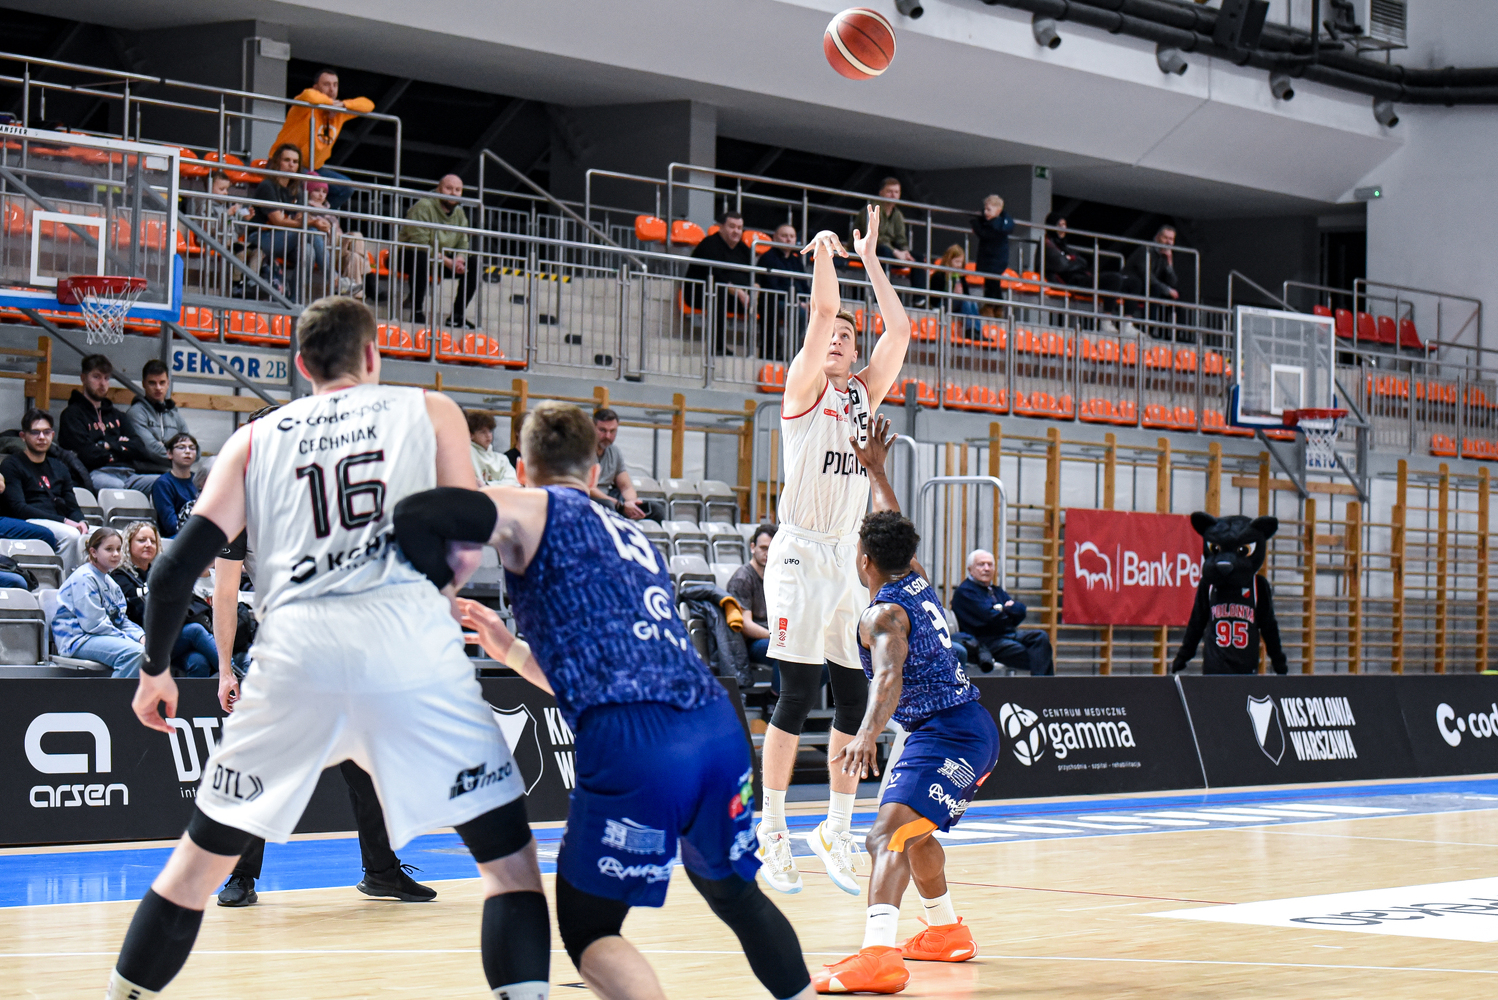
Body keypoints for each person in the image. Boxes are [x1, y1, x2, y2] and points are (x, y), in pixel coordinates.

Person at [106, 296, 549, 1000]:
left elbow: (172, 570)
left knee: (192, 872)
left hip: (294, 659)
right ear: (373, 356)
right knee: (510, 870)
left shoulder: (253, 439)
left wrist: (154, 670)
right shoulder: (430, 410)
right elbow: (467, 530)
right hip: (408, 652)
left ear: (302, 365)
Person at [391, 399, 817, 1000]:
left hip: (637, 739)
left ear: (522, 469)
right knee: (733, 894)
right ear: (595, 474)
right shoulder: (632, 536)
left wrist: (435, 598)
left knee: (589, 927)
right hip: (715, 725)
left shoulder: (531, 504)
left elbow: (421, 512)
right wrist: (509, 650)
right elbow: (600, 668)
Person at [813, 415, 998, 994]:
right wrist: (875, 472)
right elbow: (894, 528)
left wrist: (867, 733)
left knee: (885, 836)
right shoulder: (914, 576)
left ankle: (879, 958)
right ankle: (946, 932)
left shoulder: (883, 614)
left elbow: (889, 676)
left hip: (949, 734)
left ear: (864, 561)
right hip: (958, 729)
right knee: (914, 834)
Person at [758, 206, 912, 897]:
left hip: (846, 558)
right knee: (795, 694)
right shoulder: (803, 388)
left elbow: (900, 332)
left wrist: (871, 259)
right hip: (797, 552)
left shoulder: (864, 395)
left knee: (854, 696)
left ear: (854, 355)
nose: (839, 340)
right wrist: (825, 255)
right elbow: (823, 311)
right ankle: (772, 834)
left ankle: (836, 829)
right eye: (832, 335)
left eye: (849, 338)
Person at [210, 522, 437, 907]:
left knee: (364, 764)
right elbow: (225, 593)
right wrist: (225, 669)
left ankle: (381, 871)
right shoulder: (241, 514)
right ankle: (241, 873)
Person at [111, 521, 217, 678]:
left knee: (198, 662)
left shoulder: (160, 573)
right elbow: (141, 611)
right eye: (142, 540)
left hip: (169, 636)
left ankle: (198, 696)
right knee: (195, 630)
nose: (148, 545)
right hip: (142, 639)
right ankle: (234, 673)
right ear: (128, 544)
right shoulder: (119, 576)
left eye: (152, 541)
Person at [267, 67, 374, 212]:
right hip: (283, 163)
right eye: (326, 84)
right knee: (312, 184)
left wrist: (343, 105)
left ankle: (319, 215)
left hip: (313, 168)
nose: (332, 89)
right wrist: (330, 105)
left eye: (335, 85)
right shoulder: (304, 106)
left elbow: (368, 105)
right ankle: (300, 217)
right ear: (316, 87)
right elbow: (309, 95)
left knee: (346, 188)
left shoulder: (340, 112)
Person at [1, 408, 90, 572]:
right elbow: (18, 508)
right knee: (71, 535)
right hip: (30, 520)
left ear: (52, 434)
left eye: (46, 432)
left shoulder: (59, 466)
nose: (41, 437)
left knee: (102, 534)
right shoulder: (11, 465)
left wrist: (82, 522)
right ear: (23, 436)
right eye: (35, 432)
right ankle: (65, 583)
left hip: (59, 521)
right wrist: (64, 521)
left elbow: (72, 505)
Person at [52, 527, 144, 678]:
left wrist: (141, 637)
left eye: (118, 549)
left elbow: (120, 619)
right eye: (109, 549)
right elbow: (94, 625)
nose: (116, 554)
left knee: (151, 650)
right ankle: (115, 694)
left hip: (98, 636)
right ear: (93, 552)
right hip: (77, 640)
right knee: (136, 653)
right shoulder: (84, 578)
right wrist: (129, 640)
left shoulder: (110, 582)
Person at [59, 354, 157, 494]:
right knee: (118, 488)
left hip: (128, 474)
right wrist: (121, 447)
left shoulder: (117, 415)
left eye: (106, 378)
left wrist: (108, 445)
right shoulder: (72, 415)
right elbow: (87, 454)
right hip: (95, 474)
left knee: (164, 483)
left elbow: (140, 449)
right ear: (83, 378)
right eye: (96, 377)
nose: (102, 383)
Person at [951, 549, 1053, 676]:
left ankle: (1042, 684)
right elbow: (990, 619)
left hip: (1006, 635)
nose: (986, 568)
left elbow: (1021, 610)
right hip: (985, 641)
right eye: (981, 564)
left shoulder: (995, 590)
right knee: (1040, 655)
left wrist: (1003, 610)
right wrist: (1008, 610)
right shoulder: (966, 592)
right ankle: (1043, 686)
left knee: (1041, 637)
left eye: (990, 564)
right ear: (970, 569)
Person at [247, 142, 327, 299]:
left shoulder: (297, 190)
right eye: (287, 160)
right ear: (278, 162)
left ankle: (294, 300)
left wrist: (308, 221)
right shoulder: (267, 186)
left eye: (295, 162)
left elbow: (301, 217)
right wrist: (311, 223)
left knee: (308, 252)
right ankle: (334, 278)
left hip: (287, 240)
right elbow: (278, 221)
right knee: (310, 230)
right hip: (262, 238)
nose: (291, 165)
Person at [399, 174, 477, 328]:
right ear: (439, 189)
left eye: (458, 190)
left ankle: (457, 316)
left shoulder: (459, 214)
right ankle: (417, 312)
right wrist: (447, 261)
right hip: (408, 255)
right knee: (420, 256)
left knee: (473, 263)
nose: (453, 193)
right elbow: (419, 243)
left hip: (439, 259)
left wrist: (459, 259)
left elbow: (463, 243)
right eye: (449, 188)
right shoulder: (424, 206)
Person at [685, 211, 755, 354]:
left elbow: (755, 274)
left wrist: (755, 291)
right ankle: (717, 347)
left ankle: (770, 351)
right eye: (732, 226)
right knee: (719, 292)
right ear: (721, 227)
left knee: (769, 299)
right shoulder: (709, 244)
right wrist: (738, 292)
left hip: (737, 297)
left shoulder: (744, 249)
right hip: (701, 293)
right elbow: (715, 275)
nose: (736, 231)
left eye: (739, 228)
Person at [306, 179, 370, 298]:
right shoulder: (306, 210)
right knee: (356, 236)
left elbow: (338, 232)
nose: (321, 195)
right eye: (317, 190)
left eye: (324, 192)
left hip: (337, 247)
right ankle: (370, 277)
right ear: (309, 192)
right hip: (324, 249)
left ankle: (353, 294)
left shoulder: (329, 212)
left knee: (354, 257)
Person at [588, 407, 654, 520]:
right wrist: (618, 504)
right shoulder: (582, 451)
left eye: (612, 431)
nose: (608, 436)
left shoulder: (615, 452)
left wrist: (632, 503)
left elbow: (626, 487)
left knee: (655, 509)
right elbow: (588, 488)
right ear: (593, 429)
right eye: (602, 430)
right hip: (590, 500)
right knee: (609, 506)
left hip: (611, 500)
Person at [127, 360, 191, 476]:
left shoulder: (174, 415)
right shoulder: (136, 413)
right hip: (146, 474)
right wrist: (181, 456)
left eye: (162, 382)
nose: (158, 388)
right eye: (152, 383)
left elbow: (194, 449)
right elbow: (151, 450)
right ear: (144, 384)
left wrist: (181, 453)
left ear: (168, 384)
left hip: (174, 473)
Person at [726, 524, 776, 667]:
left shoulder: (776, 577)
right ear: (753, 547)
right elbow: (746, 625)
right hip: (751, 642)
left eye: (773, 549)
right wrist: (776, 637)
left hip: (773, 638)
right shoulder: (742, 579)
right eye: (764, 548)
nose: (768, 554)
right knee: (783, 653)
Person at [757, 223, 809, 361]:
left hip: (796, 302)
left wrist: (808, 301)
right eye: (784, 236)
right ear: (775, 237)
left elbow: (805, 285)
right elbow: (771, 286)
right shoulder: (768, 258)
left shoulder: (796, 261)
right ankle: (794, 354)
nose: (788, 239)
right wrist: (797, 301)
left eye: (792, 236)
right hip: (777, 302)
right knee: (799, 312)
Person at [970, 194, 1014, 318]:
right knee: (994, 283)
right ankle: (997, 307)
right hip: (995, 258)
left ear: (998, 211)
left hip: (992, 258)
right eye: (985, 209)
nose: (985, 212)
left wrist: (975, 223)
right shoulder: (1002, 222)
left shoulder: (995, 226)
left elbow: (984, 234)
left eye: (988, 210)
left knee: (991, 284)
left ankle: (991, 306)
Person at [151, 433, 200, 537]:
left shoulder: (199, 480)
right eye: (181, 447)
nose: (187, 451)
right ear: (169, 453)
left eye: (192, 448)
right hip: (177, 537)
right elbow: (171, 526)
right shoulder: (163, 484)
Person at [927, 245, 980, 332]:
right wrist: (952, 291)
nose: (959, 265)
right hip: (942, 304)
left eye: (961, 262)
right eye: (957, 262)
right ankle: (970, 329)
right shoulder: (939, 275)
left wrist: (961, 290)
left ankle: (977, 330)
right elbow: (934, 299)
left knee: (972, 302)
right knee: (964, 300)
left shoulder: (961, 276)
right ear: (949, 260)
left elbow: (967, 294)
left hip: (957, 304)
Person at [467, 411, 519, 487]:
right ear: (471, 435)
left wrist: (488, 485)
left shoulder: (501, 459)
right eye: (483, 432)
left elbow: (514, 482)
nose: (488, 435)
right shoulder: (467, 454)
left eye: (490, 431)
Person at [1042, 213, 1093, 289]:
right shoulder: (1047, 244)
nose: (1063, 228)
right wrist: (1072, 260)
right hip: (1062, 281)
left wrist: (1070, 259)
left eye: (1064, 224)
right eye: (1059, 225)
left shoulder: (1063, 246)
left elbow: (1083, 262)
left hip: (1074, 279)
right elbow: (1061, 265)